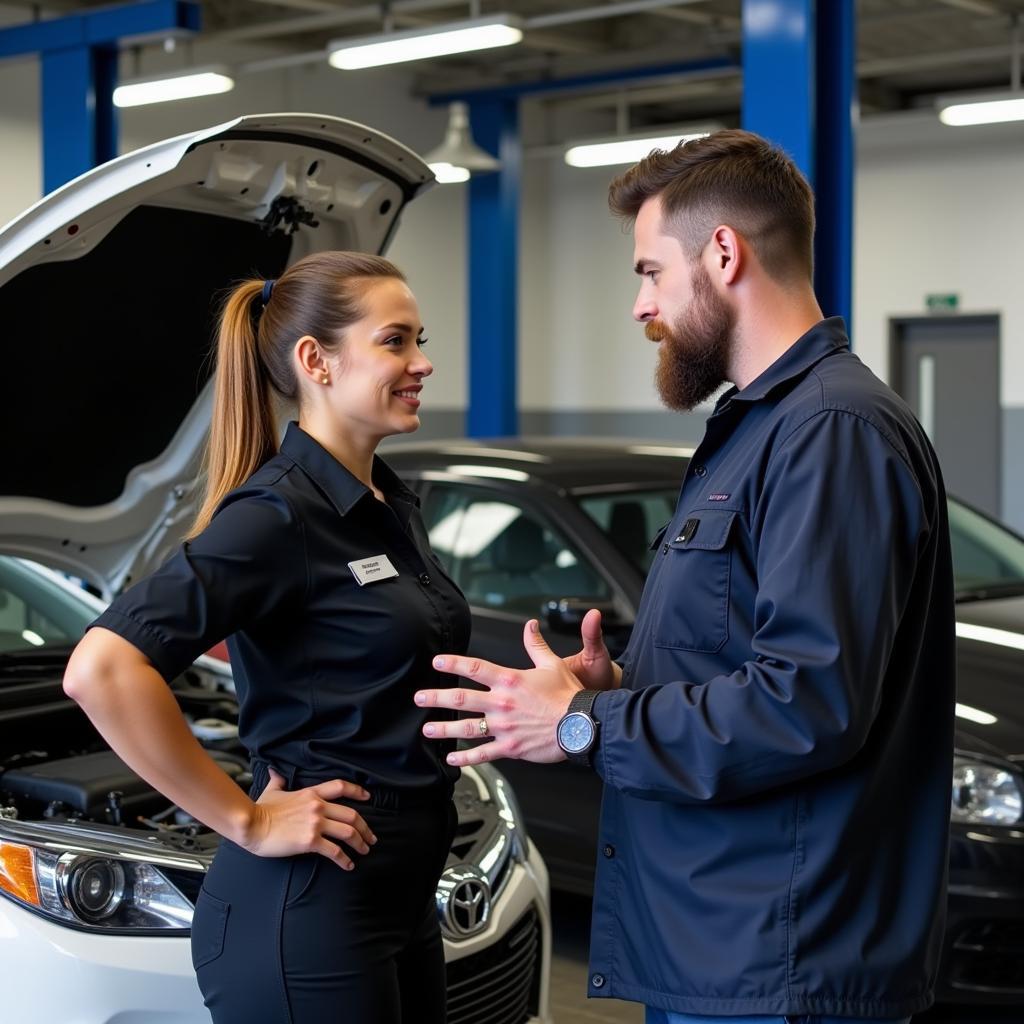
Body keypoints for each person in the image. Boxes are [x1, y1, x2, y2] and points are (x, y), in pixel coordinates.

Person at [414, 130, 955, 1024]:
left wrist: (585, 726)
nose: (640, 305)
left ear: (725, 253)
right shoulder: (756, 430)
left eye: (651, 272)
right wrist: (625, 684)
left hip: (779, 961)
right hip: (720, 944)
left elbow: (806, 704)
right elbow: (751, 663)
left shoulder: (830, 432)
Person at [63, 251, 470, 1024]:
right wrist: (246, 819)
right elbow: (102, 668)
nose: (423, 362)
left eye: (420, 338)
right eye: (396, 341)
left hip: (401, 895)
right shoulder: (275, 516)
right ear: (316, 361)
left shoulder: (385, 505)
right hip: (308, 914)